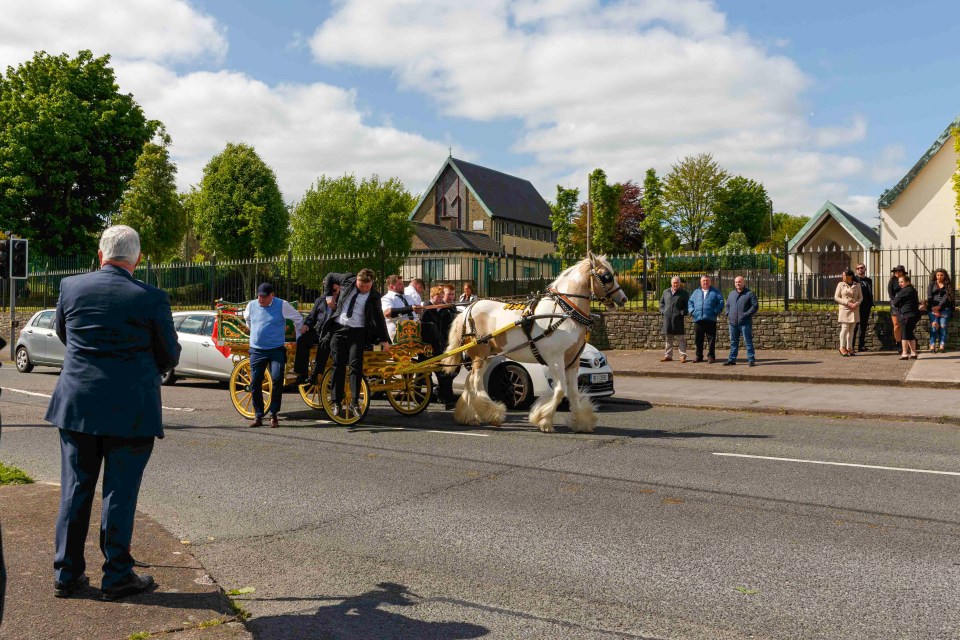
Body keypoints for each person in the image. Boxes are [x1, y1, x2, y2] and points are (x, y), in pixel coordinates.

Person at [44, 225, 180, 601]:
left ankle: (67, 575)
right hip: (131, 408)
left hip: (77, 404)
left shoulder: (71, 287)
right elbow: (169, 353)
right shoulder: (151, 297)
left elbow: (65, 334)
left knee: (75, 488)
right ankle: (116, 575)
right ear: (136, 259)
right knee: (120, 493)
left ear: (100, 254)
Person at [322, 269, 391, 418]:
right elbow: (329, 276)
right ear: (357, 280)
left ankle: (354, 401)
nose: (364, 289)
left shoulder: (374, 296)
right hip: (339, 329)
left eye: (367, 286)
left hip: (358, 332)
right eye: (361, 285)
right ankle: (336, 401)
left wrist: (385, 340)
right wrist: (328, 296)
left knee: (355, 365)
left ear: (372, 283)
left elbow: (379, 318)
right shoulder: (347, 279)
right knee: (338, 364)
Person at [245, 283, 303, 427]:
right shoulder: (251, 305)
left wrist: (299, 336)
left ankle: (274, 414)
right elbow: (248, 320)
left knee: (277, 379)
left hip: (276, 349)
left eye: (264, 297)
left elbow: (298, 318)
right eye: (259, 296)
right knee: (255, 383)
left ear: (272, 295)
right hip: (257, 350)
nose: (261, 300)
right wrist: (255, 333)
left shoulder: (282, 305)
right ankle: (258, 415)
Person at [420, 284, 459, 409]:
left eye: (443, 296)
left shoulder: (440, 308)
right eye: (440, 297)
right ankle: (427, 397)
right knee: (423, 375)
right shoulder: (427, 308)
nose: (441, 299)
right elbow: (426, 328)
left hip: (437, 345)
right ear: (433, 296)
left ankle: (447, 399)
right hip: (428, 347)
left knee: (443, 374)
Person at [293, 285, 339, 385]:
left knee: (324, 343)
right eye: (329, 291)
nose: (332, 293)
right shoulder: (321, 300)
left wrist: (335, 307)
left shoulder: (342, 301)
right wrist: (307, 324)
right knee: (302, 340)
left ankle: (316, 374)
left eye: (335, 290)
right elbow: (311, 317)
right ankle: (302, 373)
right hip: (319, 331)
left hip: (332, 332)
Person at [687, 275, 724, 363]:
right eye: (703, 281)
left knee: (711, 339)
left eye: (707, 281)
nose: (705, 282)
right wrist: (692, 311)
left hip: (710, 319)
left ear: (710, 282)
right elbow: (690, 302)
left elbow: (721, 303)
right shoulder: (696, 292)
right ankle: (699, 356)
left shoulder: (716, 292)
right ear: (701, 282)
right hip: (698, 319)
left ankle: (711, 357)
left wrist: (715, 312)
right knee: (698, 339)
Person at [724, 275, 759, 366]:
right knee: (733, 342)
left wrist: (746, 314)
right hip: (733, 322)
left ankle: (751, 359)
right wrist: (728, 314)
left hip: (745, 323)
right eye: (736, 282)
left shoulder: (750, 293)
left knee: (748, 341)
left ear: (744, 282)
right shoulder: (731, 293)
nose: (738, 283)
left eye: (739, 282)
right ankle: (732, 359)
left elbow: (755, 306)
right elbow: (727, 305)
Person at [382, 274, 421, 342]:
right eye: (400, 284)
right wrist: (410, 308)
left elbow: (414, 310)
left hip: (414, 329)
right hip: (399, 331)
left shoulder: (407, 297)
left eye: (402, 284)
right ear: (391, 286)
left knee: (430, 327)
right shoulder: (387, 298)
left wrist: (418, 309)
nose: (403, 286)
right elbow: (387, 313)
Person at [659, 276, 689, 363]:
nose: (675, 284)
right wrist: (663, 311)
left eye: (677, 283)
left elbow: (687, 305)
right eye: (674, 282)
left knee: (681, 339)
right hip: (667, 318)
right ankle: (668, 356)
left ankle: (682, 356)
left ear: (679, 283)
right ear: (671, 283)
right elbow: (661, 303)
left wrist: (683, 312)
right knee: (668, 338)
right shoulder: (665, 292)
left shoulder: (684, 293)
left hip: (678, 318)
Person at [834, 268, 862, 357]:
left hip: (854, 309)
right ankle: (842, 347)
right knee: (845, 328)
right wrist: (847, 303)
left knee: (852, 330)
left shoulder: (857, 285)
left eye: (844, 275)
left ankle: (849, 347)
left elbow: (861, 297)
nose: (843, 277)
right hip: (845, 309)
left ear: (850, 276)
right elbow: (836, 297)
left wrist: (857, 303)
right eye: (842, 275)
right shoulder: (840, 285)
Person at [892, 274, 920, 359]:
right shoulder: (913, 290)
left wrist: (900, 303)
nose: (900, 284)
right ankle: (913, 353)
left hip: (906, 314)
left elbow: (895, 303)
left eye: (902, 282)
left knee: (904, 333)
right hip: (914, 314)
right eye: (899, 282)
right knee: (910, 333)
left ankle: (904, 353)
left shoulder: (903, 291)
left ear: (908, 282)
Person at [926, 268, 953, 352]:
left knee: (943, 325)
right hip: (933, 308)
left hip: (945, 308)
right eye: (938, 275)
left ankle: (942, 345)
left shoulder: (948, 284)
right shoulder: (931, 284)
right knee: (934, 325)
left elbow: (946, 297)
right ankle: (932, 345)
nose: (939, 277)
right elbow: (929, 296)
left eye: (941, 275)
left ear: (944, 276)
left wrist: (939, 306)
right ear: (935, 276)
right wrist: (933, 308)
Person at [852, 263, 873, 352]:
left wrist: (870, 303)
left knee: (863, 326)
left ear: (865, 269)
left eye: (862, 268)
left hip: (866, 305)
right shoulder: (855, 280)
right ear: (856, 270)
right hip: (857, 305)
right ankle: (851, 346)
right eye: (858, 268)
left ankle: (861, 346)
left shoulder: (869, 280)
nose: (860, 269)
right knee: (855, 326)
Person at [888, 265, 907, 352]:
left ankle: (905, 343)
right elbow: (891, 294)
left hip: (904, 303)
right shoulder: (892, 281)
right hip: (895, 304)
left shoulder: (905, 280)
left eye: (899, 271)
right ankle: (898, 343)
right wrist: (895, 302)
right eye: (896, 272)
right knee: (896, 325)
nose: (897, 273)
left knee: (905, 324)